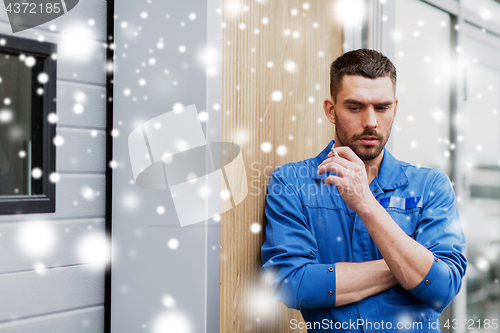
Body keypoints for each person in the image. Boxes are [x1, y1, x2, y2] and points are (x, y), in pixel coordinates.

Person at [261, 49, 467, 332]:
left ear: (394, 108)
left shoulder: (431, 186)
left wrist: (366, 204)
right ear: (331, 110)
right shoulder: (292, 183)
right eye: (355, 107)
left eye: (381, 108)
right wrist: (405, 266)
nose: (371, 122)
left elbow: (442, 288)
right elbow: (291, 285)